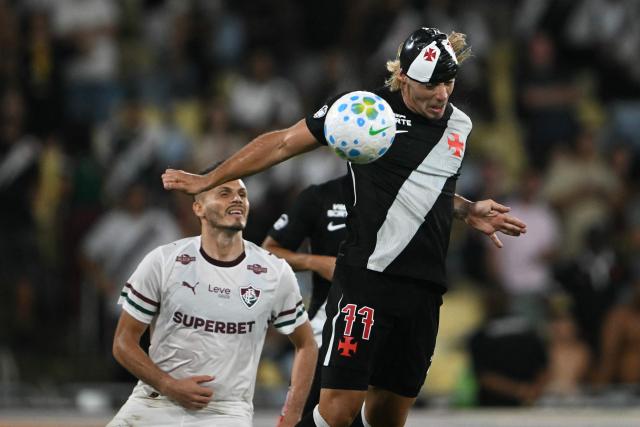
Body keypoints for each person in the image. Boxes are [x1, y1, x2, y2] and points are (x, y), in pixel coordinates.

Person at [162, 27, 527, 427]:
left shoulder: (460, 125)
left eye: (448, 82)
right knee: (337, 413)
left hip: (424, 288)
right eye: (430, 83)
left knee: (388, 418)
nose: (441, 94)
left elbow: (424, 189)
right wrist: (208, 179)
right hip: (367, 280)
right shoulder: (362, 112)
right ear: (403, 77)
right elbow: (284, 142)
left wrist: (466, 209)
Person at [107, 168, 318, 427]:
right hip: (154, 401)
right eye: (225, 193)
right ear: (199, 208)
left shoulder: (274, 272)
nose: (237, 199)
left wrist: (291, 417)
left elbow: (306, 344)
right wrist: (169, 385)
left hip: (225, 411)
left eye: (242, 194)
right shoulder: (164, 261)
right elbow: (123, 341)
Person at [262, 174, 350, 415]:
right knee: (308, 415)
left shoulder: (400, 195)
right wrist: (315, 262)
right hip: (328, 323)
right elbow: (268, 251)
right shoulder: (320, 196)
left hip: (383, 322)